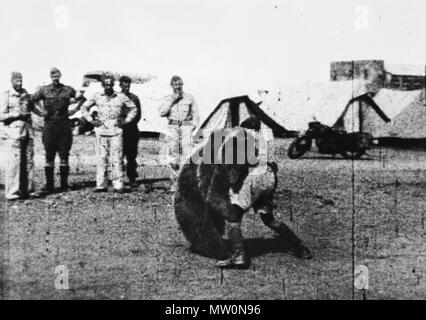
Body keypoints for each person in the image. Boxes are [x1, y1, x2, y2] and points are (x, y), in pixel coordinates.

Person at [81, 74, 137, 193]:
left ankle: (118, 185)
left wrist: (126, 120)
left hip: (116, 131)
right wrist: (91, 120)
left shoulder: (121, 97)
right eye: (106, 84)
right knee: (102, 158)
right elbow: (84, 108)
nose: (108, 86)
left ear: (113, 84)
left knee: (117, 158)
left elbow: (133, 108)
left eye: (110, 84)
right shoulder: (97, 96)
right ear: (102, 85)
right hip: (101, 131)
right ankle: (101, 185)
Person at [32, 67, 79, 192]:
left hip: (64, 125)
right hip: (49, 126)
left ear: (60, 75)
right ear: (50, 77)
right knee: (49, 156)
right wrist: (40, 112)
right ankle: (49, 185)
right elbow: (31, 101)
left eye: (57, 75)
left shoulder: (68, 90)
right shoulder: (44, 90)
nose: (55, 78)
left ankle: (64, 184)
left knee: (64, 155)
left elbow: (81, 98)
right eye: (53, 76)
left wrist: (74, 110)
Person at [0, 72, 44, 200]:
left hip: (27, 132)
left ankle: (27, 191)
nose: (19, 83)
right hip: (12, 134)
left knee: (29, 163)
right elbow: (0, 115)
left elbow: (35, 109)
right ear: (11, 81)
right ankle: (12, 192)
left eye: (21, 81)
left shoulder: (26, 94)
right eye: (17, 81)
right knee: (14, 164)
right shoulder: (6, 95)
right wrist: (16, 115)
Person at [158, 75, 199, 171]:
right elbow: (162, 113)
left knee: (187, 149)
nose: (178, 86)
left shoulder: (189, 97)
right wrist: (172, 100)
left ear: (182, 85)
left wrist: (192, 126)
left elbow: (196, 114)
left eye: (180, 84)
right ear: (171, 85)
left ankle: (186, 172)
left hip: (186, 125)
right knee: (174, 149)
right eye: (175, 84)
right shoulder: (168, 98)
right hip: (173, 126)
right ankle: (176, 173)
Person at [119, 76, 141, 186]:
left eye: (128, 85)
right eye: (124, 85)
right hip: (119, 129)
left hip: (131, 129)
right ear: (120, 85)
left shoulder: (135, 98)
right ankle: (118, 178)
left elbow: (138, 114)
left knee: (131, 155)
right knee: (118, 154)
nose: (126, 87)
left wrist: (129, 122)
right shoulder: (117, 98)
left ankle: (132, 176)